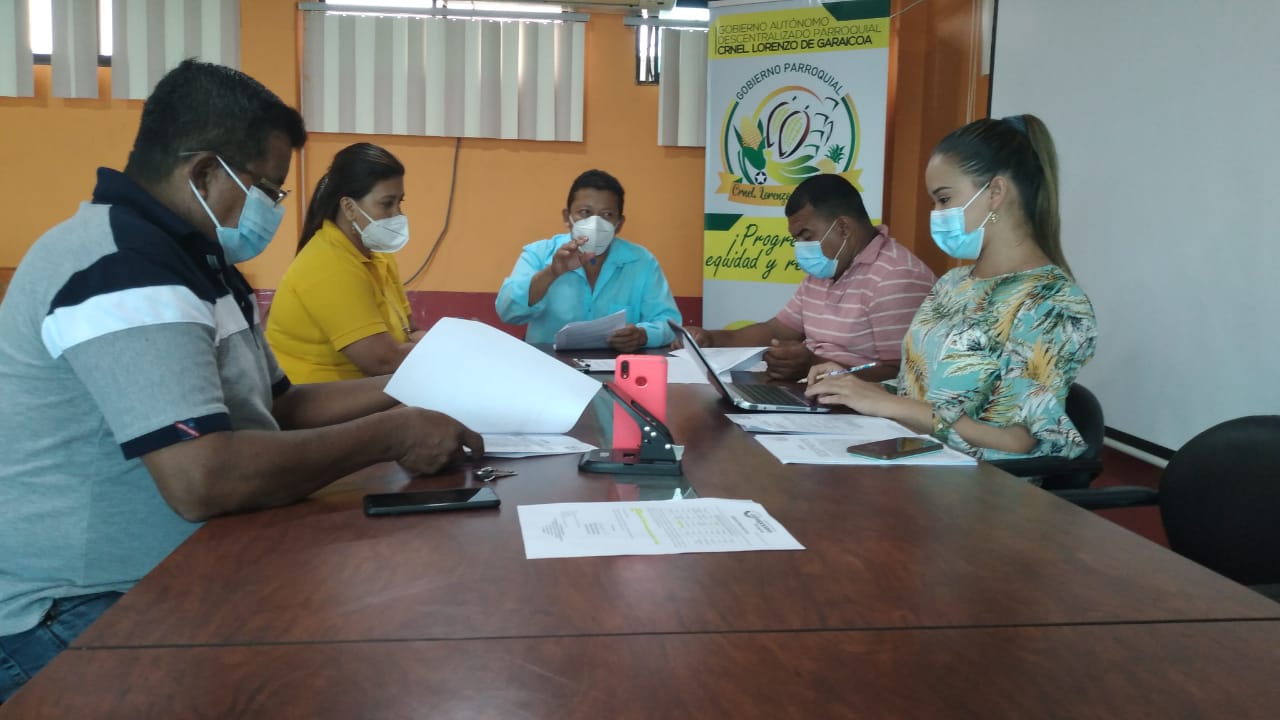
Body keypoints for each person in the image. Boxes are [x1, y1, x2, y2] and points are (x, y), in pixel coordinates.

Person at [0, 61, 481, 700]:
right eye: (267, 190)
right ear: (204, 172)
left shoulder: (201, 264)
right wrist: (392, 433)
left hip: (186, 566)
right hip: (76, 607)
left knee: (392, 616)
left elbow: (282, 406)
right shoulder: (120, 267)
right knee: (329, 681)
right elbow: (203, 479)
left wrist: (415, 389)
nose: (274, 210)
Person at [806, 114, 1097, 460]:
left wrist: (887, 404)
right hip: (909, 458)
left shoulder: (1052, 302)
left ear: (996, 192)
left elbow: (1019, 442)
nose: (936, 213)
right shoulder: (952, 284)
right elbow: (921, 392)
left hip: (981, 484)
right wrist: (852, 385)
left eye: (944, 199)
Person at [680, 174, 935, 382]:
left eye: (806, 236)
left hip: (860, 414)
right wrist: (711, 339)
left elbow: (901, 376)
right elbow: (776, 330)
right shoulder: (826, 270)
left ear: (844, 228)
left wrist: (814, 365)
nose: (801, 247)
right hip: (814, 395)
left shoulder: (896, 276)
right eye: (797, 239)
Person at [266, 143, 419, 382]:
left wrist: (449, 347)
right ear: (349, 207)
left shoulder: (378, 255)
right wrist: (444, 355)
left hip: (362, 388)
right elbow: (382, 361)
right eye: (387, 203)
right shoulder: (327, 264)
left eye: (400, 202)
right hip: (313, 397)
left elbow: (410, 331)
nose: (397, 214)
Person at [495, 169, 681, 352]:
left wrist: (643, 335)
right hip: (548, 365)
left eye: (607, 215)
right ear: (567, 217)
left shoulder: (642, 261)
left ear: (619, 223)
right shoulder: (539, 254)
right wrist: (551, 273)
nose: (595, 223)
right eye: (585, 212)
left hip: (615, 366)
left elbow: (669, 323)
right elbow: (507, 312)